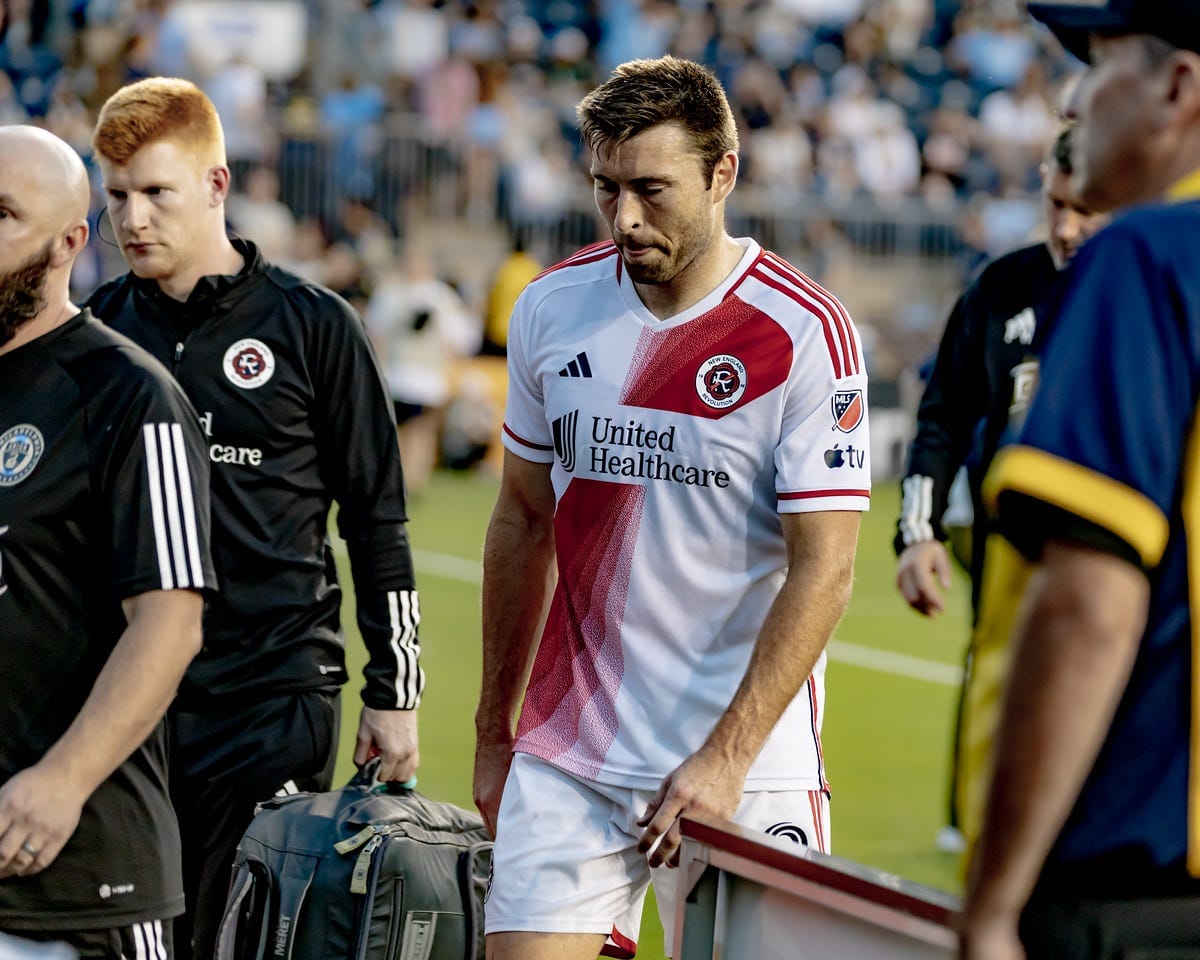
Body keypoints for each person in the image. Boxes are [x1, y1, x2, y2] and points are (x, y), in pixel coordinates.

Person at [473, 55, 869, 960]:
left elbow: (827, 567)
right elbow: (522, 519)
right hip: (572, 755)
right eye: (605, 187)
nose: (624, 218)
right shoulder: (551, 308)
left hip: (747, 763)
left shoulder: (804, 333)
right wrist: (494, 735)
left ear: (722, 173)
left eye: (651, 189)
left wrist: (727, 757)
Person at [85, 77, 423, 960]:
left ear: (216, 184)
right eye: (116, 196)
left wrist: (396, 694)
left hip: (274, 693)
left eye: (156, 192)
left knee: (241, 940)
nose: (133, 219)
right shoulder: (96, 334)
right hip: (131, 700)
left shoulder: (315, 326)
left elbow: (377, 520)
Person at [961, 2, 1200, 957]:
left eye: (1099, 66)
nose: (1072, 99)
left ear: (1178, 86)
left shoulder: (1145, 258)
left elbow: (1087, 610)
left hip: (1138, 876)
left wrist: (992, 905)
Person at [0, 126, 213, 958]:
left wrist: (63, 780)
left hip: (77, 878)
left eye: (3, 216)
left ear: (68, 243)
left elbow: (171, 621)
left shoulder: (126, 393)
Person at [894, 127, 1108, 853]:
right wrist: (918, 533)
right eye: (1056, 205)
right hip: (1007, 539)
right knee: (996, 669)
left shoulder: (1150, 291)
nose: (1067, 228)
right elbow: (942, 419)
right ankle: (973, 819)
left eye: (1086, 211)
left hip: (1116, 542)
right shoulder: (1000, 286)